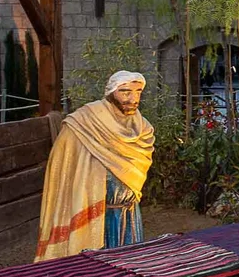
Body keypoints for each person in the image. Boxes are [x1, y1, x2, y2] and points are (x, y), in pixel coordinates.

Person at [37, 71, 157, 260]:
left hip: (129, 212)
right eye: (125, 92)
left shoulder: (142, 127)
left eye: (138, 92)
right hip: (96, 211)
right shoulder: (85, 122)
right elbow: (63, 161)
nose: (133, 98)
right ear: (111, 92)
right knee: (97, 268)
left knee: (130, 265)